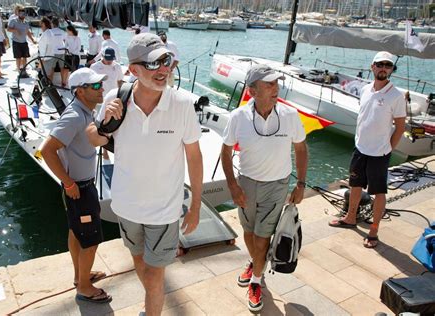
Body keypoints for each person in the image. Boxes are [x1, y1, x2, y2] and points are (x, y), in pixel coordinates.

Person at [86, 33, 203, 316]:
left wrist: (196, 205)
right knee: (140, 264)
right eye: (155, 64)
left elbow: (194, 157)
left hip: (164, 211)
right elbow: (93, 139)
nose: (164, 69)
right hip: (126, 207)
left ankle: (152, 307)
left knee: (155, 276)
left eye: (168, 61)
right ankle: (152, 299)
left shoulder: (183, 105)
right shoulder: (117, 97)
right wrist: (103, 125)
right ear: (135, 70)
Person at [221, 64, 308, 313]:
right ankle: (255, 263)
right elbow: (226, 151)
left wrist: (300, 183)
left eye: (276, 84)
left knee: (262, 239)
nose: (275, 88)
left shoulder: (290, 116)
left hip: (277, 186)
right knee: (248, 232)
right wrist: (233, 185)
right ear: (252, 91)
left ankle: (257, 280)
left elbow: (301, 149)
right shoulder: (238, 117)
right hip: (247, 183)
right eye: (269, 84)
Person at [41, 68, 111, 304]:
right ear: (80, 91)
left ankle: (80, 276)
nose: (101, 88)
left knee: (76, 233)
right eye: (95, 86)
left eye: (100, 84)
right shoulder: (75, 116)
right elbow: (47, 150)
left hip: (81, 186)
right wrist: (69, 183)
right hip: (79, 188)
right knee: (91, 240)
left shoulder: (86, 112)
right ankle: (84, 288)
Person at [328, 51, 406, 248]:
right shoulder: (365, 90)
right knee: (355, 185)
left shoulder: (396, 96)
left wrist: (389, 148)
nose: (383, 68)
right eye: (380, 64)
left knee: (378, 193)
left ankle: (374, 231)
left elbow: (400, 126)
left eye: (388, 65)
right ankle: (350, 217)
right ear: (372, 67)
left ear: (391, 70)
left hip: (379, 153)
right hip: (360, 149)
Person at [7, 5, 36, 78]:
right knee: (18, 57)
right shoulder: (13, 20)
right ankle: (19, 71)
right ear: (18, 13)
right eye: (21, 14)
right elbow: (8, 29)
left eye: (24, 14)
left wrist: (32, 40)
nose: (22, 15)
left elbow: (27, 32)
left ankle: (24, 70)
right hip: (16, 42)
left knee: (25, 57)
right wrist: (15, 30)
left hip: (24, 42)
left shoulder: (26, 22)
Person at [43, 17, 66, 82]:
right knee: (62, 68)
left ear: (52, 24)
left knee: (52, 68)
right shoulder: (62, 31)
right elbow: (64, 40)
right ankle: (63, 82)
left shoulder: (50, 32)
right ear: (58, 24)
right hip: (62, 51)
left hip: (54, 52)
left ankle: (51, 82)